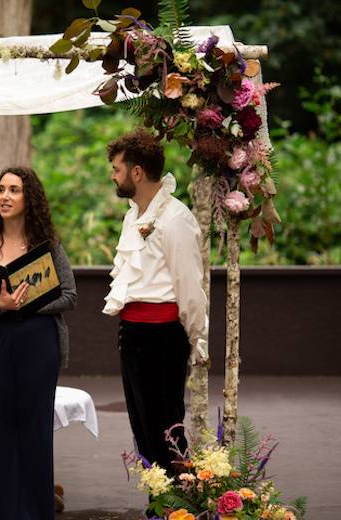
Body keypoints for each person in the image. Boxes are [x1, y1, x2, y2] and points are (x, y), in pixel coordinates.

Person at [0, 166, 77, 520]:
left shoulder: (48, 246)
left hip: (39, 344)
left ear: (30, 199)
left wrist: (29, 301)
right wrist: (0, 305)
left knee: (34, 431)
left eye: (14, 190)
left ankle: (35, 513)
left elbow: (69, 295)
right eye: (1, 189)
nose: (5, 196)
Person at [103, 129, 208, 476]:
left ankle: (180, 505)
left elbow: (189, 285)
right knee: (143, 432)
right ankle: (159, 505)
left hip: (162, 337)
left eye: (117, 169)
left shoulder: (176, 219)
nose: (112, 175)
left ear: (136, 172)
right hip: (132, 333)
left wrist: (197, 337)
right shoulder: (133, 215)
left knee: (166, 431)